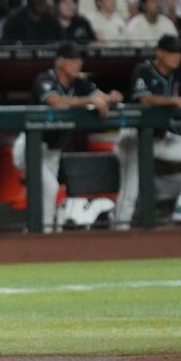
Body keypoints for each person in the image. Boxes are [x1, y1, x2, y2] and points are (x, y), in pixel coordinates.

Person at [12, 41, 123, 232]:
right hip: (30, 146)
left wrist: (113, 97)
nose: (78, 63)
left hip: (53, 150)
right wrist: (89, 100)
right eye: (73, 59)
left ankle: (38, 231)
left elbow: (102, 97)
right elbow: (54, 101)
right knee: (50, 188)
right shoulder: (45, 78)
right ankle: (42, 233)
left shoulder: (81, 82)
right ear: (60, 62)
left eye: (79, 59)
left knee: (45, 191)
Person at [113, 34, 181, 230]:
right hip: (134, 137)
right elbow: (144, 99)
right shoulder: (143, 70)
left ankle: (174, 210)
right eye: (172, 52)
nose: (176, 57)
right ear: (159, 53)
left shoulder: (176, 72)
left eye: (178, 53)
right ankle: (119, 232)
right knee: (130, 189)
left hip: (161, 137)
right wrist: (173, 101)